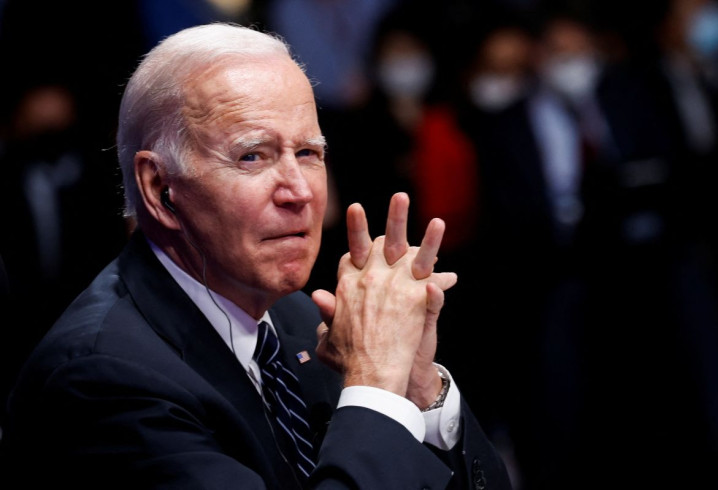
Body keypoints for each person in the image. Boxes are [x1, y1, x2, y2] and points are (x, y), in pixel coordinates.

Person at [0, 22, 512, 490]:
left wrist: (417, 386)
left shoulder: (296, 314)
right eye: (253, 156)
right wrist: (377, 384)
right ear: (160, 189)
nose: (300, 192)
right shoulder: (103, 379)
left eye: (309, 154)